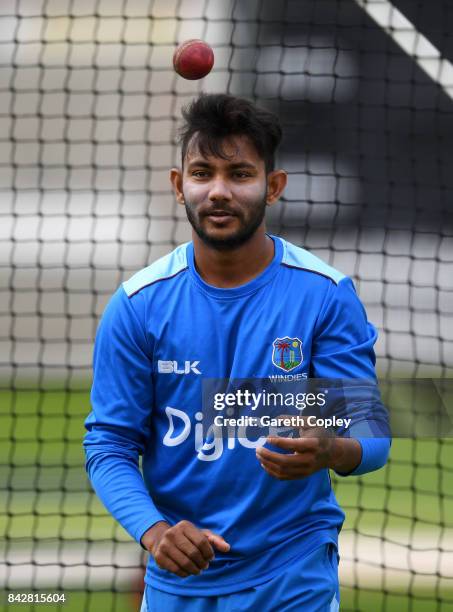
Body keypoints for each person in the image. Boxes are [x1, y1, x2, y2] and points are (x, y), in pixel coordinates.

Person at [83, 93, 391, 611]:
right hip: (177, 583)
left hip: (293, 575)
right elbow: (109, 445)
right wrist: (155, 533)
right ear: (180, 185)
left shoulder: (324, 295)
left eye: (240, 174)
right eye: (203, 173)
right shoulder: (137, 305)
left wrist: (333, 451)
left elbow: (370, 437)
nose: (219, 191)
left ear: (273, 187)